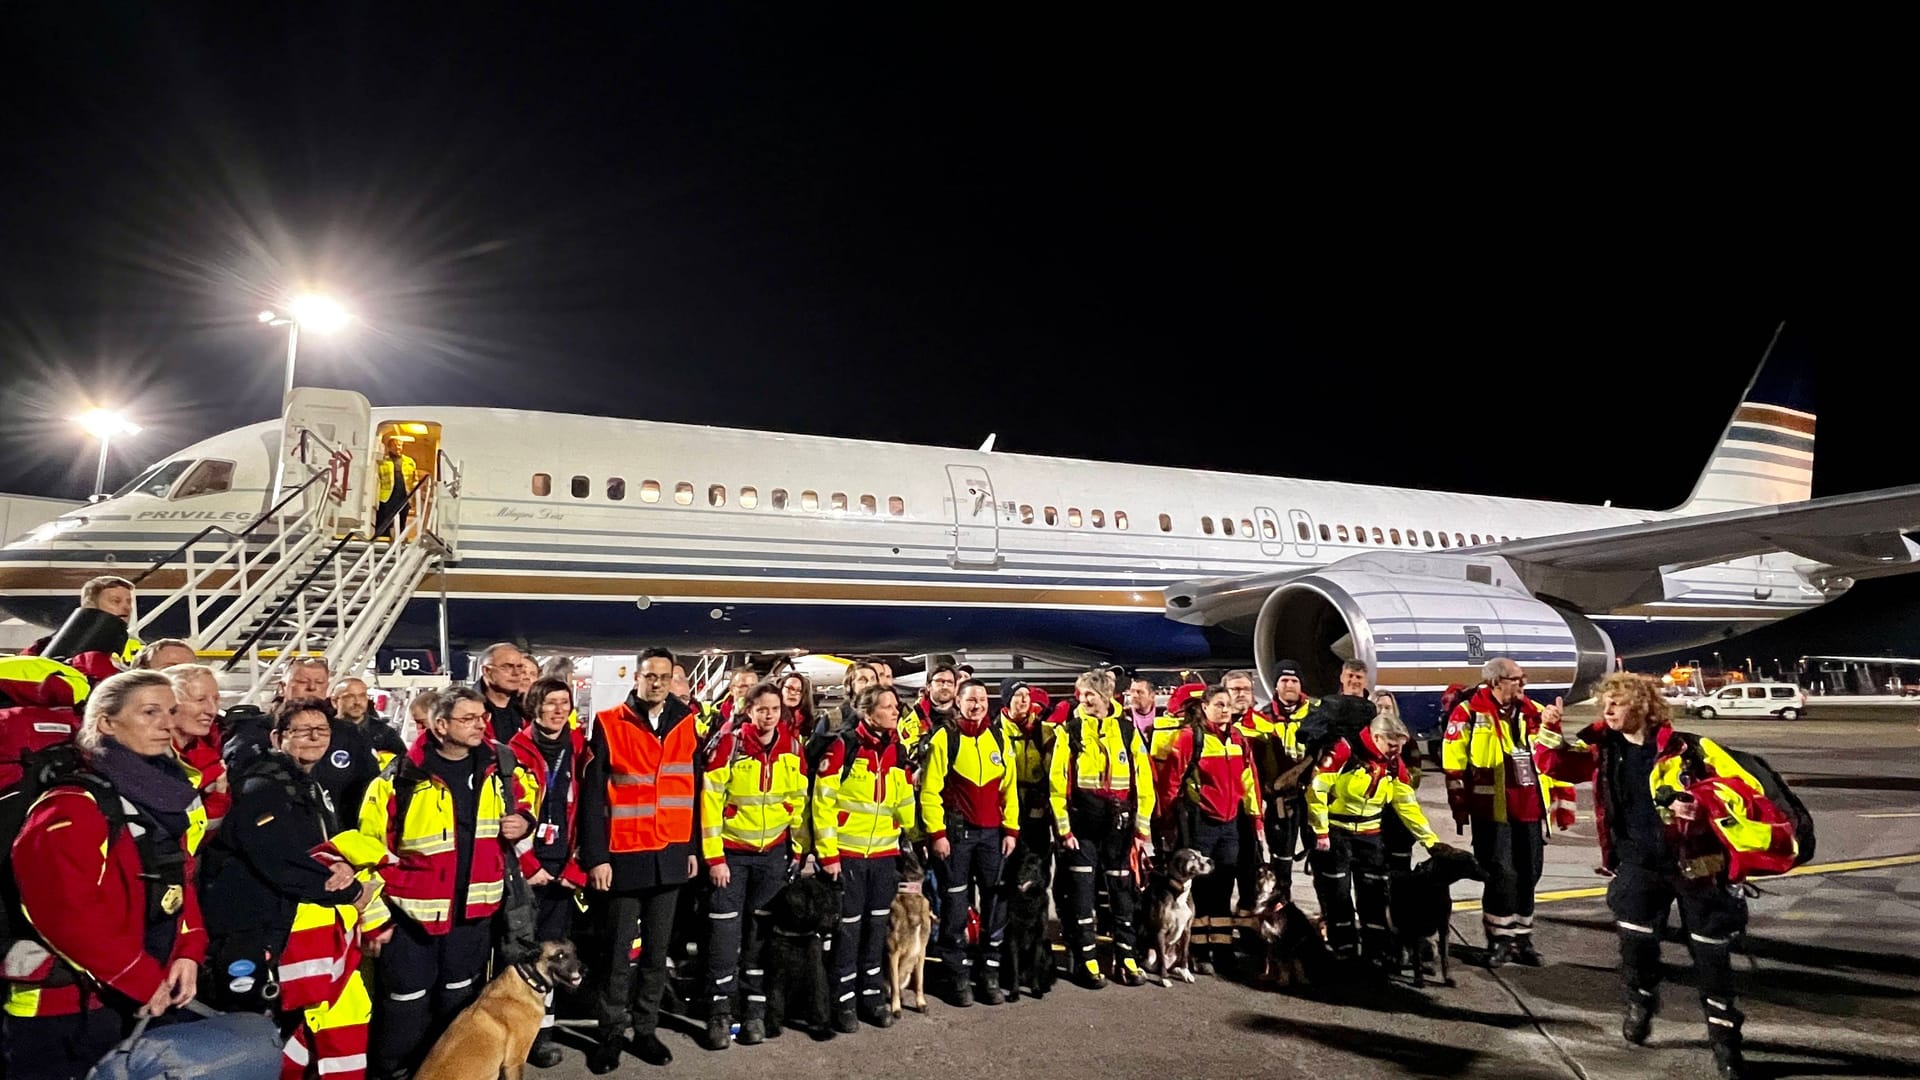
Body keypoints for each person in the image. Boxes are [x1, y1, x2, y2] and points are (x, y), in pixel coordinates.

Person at [1535, 673, 1798, 1080]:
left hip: (1695, 864)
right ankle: (1640, 1000)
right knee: (1635, 947)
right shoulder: (1604, 749)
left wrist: (1699, 802)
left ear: (1641, 706)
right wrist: (1550, 728)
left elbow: (1741, 788)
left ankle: (1725, 1043)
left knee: (1711, 958)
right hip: (1638, 865)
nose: (1606, 711)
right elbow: (1555, 766)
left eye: (1616, 703)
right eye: (1604, 703)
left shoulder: (1690, 749)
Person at [5, 671, 207, 1080]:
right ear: (106, 723)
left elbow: (177, 877)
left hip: (130, 995)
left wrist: (188, 946)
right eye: (150, 712)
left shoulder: (156, 795)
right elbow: (64, 911)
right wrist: (139, 977)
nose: (167, 723)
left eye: (170, 711)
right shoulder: (72, 804)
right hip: (62, 1009)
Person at [357, 686, 534, 1078]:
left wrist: (525, 822)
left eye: (482, 717)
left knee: (458, 1011)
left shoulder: (500, 765)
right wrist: (374, 919)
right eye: (468, 718)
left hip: (473, 918)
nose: (480, 725)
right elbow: (367, 855)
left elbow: (525, 799)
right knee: (404, 1010)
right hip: (410, 921)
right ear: (439, 725)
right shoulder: (398, 779)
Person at [200, 698, 372, 1011]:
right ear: (278, 738)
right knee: (248, 1019)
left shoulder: (305, 785)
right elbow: (278, 859)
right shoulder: (263, 787)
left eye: (322, 730)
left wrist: (339, 869)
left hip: (281, 921)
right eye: (302, 730)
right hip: (249, 927)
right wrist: (349, 891)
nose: (314, 737)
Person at [579, 648, 700, 1073]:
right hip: (623, 855)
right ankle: (610, 1033)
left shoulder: (686, 722)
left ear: (673, 679)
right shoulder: (610, 722)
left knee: (656, 953)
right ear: (637, 677)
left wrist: (692, 848)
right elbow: (593, 796)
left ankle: (645, 1030)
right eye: (650, 676)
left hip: (669, 854)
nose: (657, 683)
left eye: (664, 677)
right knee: (616, 955)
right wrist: (596, 857)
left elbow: (693, 788)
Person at [698, 681, 810, 1049]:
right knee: (724, 935)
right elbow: (711, 802)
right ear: (747, 710)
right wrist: (714, 857)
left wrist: (795, 848)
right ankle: (719, 1013)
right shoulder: (728, 746)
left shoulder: (793, 747)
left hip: (772, 857)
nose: (768, 716)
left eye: (774, 710)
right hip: (731, 856)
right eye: (761, 709)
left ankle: (755, 1011)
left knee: (759, 936)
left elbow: (798, 800)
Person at [1308, 705, 1449, 966]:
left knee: (1373, 896)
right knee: (1337, 895)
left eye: (1400, 746)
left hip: (1370, 837)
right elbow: (1316, 791)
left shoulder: (1393, 763)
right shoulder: (1343, 751)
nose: (1396, 751)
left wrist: (1430, 841)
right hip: (1336, 836)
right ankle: (1344, 949)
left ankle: (1376, 951)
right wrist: (1321, 831)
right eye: (1392, 745)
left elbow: (1406, 804)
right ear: (1376, 737)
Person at [1443, 657, 1560, 966]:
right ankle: (1499, 940)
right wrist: (1459, 808)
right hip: (1492, 811)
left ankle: (1523, 938)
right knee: (1501, 875)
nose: (1523, 684)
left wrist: (1551, 725)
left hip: (1531, 807)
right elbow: (1453, 764)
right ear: (1496, 682)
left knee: (1530, 872)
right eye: (1517, 679)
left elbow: (1548, 752)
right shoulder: (1468, 712)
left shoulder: (1532, 710)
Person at [813, 685, 916, 1031]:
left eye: (895, 707)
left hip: (885, 856)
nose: (895, 712)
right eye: (888, 707)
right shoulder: (844, 747)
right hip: (849, 857)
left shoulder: (897, 752)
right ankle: (842, 1001)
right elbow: (823, 803)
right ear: (868, 713)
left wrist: (911, 827)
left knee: (876, 929)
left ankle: (870, 995)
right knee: (848, 930)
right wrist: (829, 854)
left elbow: (902, 805)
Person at [1049, 669, 1155, 988]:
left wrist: (1142, 829)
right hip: (1082, 826)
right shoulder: (1069, 731)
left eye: (1090, 694)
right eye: (1081, 694)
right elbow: (1057, 784)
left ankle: (1127, 959)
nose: (1083, 699)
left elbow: (1144, 781)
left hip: (1120, 827)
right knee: (1081, 895)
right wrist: (1064, 831)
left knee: (1123, 896)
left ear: (1105, 696)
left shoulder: (1125, 730)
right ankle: (1086, 961)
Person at [920, 678, 1019, 1006]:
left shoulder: (999, 738)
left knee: (995, 904)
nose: (976, 705)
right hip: (956, 838)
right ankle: (957, 975)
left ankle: (989, 972)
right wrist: (938, 834)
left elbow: (1010, 789)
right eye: (970, 700)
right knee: (955, 906)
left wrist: (1011, 831)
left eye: (981, 699)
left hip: (993, 837)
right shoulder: (944, 738)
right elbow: (930, 791)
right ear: (959, 704)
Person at [508, 675, 588, 1069]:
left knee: (556, 953)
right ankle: (516, 1030)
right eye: (551, 702)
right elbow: (508, 811)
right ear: (534, 706)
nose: (559, 710)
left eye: (565, 703)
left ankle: (544, 1033)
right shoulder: (514, 750)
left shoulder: (579, 748)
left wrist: (577, 865)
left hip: (563, 865)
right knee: (522, 952)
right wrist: (529, 864)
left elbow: (588, 812)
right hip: (528, 866)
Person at [1155, 685, 1258, 975]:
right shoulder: (1191, 738)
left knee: (1224, 886)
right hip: (1200, 822)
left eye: (1228, 705)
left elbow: (1248, 781)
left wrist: (1256, 818)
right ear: (1205, 707)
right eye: (1219, 704)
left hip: (1230, 823)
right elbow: (1171, 782)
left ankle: (1222, 949)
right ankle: (1198, 952)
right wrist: (1165, 821)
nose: (1225, 710)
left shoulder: (1238, 739)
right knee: (1198, 888)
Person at [167, 663, 231, 830]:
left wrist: (217, 801)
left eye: (216, 699)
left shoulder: (211, 759)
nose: (212, 710)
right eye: (200, 700)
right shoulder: (144, 757)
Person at [334, 676, 407, 759]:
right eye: (349, 697)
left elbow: (404, 765)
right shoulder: (324, 731)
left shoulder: (385, 734)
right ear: (334, 701)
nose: (357, 702)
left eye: (362, 696)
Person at [903, 663, 959, 767]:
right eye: (940, 681)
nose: (945, 686)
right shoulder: (914, 717)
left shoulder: (964, 714)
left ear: (956, 688)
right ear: (928, 686)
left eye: (950, 682)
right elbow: (911, 753)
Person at [478, 642, 531, 745]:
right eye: (507, 667)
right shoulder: (468, 709)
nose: (515, 673)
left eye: (519, 667)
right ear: (487, 671)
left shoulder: (528, 708)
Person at [375, 434, 419, 540]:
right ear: (389, 447)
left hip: (404, 495)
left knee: (402, 517)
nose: (398, 447)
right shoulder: (383, 461)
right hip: (387, 495)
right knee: (385, 518)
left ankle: (400, 538)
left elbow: (415, 478)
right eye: (395, 445)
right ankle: (383, 538)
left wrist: (414, 492)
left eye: (400, 445)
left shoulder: (409, 461)